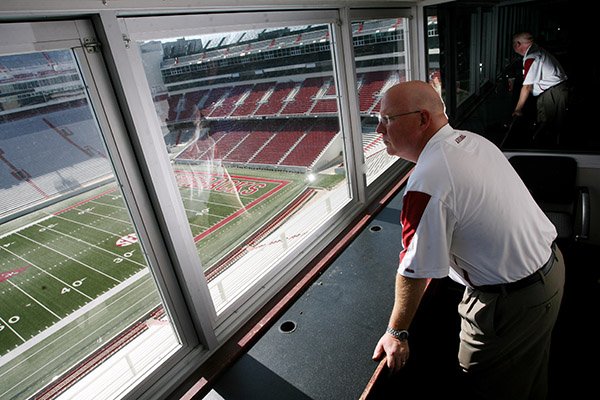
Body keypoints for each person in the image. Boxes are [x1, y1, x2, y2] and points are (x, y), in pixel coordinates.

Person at [371, 80, 565, 400]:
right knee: (529, 375)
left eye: (387, 119)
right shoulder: (471, 141)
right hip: (549, 271)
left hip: (511, 302)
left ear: (422, 119)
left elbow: (416, 270)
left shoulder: (429, 178)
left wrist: (395, 332)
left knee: (487, 384)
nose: (379, 129)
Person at [511, 31, 569, 146]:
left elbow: (527, 87)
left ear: (518, 44)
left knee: (550, 124)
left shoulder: (532, 57)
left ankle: (547, 148)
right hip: (553, 90)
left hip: (553, 92)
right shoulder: (536, 50)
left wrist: (518, 109)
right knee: (550, 122)